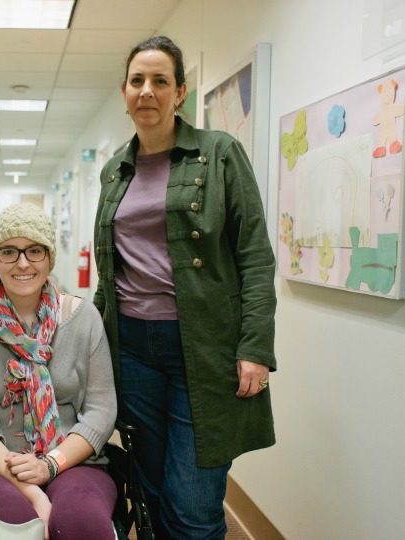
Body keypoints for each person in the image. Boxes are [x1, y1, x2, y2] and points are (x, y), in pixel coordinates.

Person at [93, 36, 277, 539]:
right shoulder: (115, 170)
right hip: (131, 349)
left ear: (180, 93)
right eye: (137, 81)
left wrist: (256, 347)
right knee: (148, 490)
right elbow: (110, 275)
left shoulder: (219, 154)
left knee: (192, 504)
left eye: (160, 81)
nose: (146, 91)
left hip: (204, 349)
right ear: (124, 91)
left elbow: (255, 257)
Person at [0, 203, 118, 540]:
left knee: (81, 525)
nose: (23, 263)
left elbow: (101, 410)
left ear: (50, 258)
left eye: (34, 251)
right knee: (15, 528)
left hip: (70, 461)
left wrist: (50, 465)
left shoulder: (84, 319)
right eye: (9, 251)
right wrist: (33, 491)